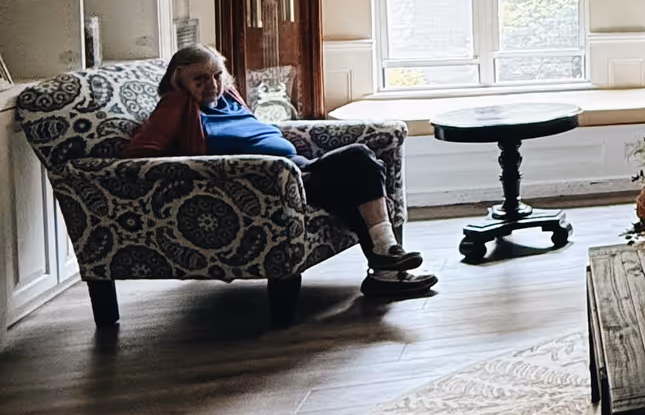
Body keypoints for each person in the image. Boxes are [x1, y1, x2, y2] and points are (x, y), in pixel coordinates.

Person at [124, 46, 436, 300]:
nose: (213, 85)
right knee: (358, 158)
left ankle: (385, 270)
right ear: (178, 80)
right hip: (266, 184)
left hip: (296, 171)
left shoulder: (227, 97)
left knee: (356, 177)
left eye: (217, 75)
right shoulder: (176, 105)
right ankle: (387, 257)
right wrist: (181, 103)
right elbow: (138, 155)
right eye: (200, 79)